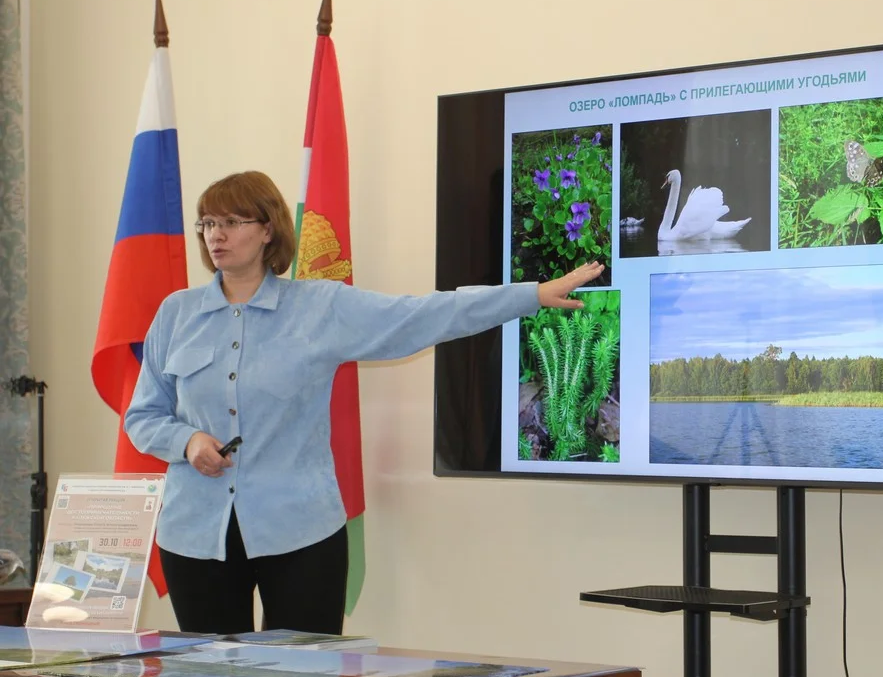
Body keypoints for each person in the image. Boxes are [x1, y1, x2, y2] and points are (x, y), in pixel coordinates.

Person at [123, 170, 604, 636]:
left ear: (268, 229)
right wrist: (186, 442)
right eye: (207, 223)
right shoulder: (176, 313)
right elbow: (143, 415)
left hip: (301, 532)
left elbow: (420, 315)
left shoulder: (319, 306)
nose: (215, 235)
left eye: (230, 222)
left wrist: (530, 296)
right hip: (196, 536)